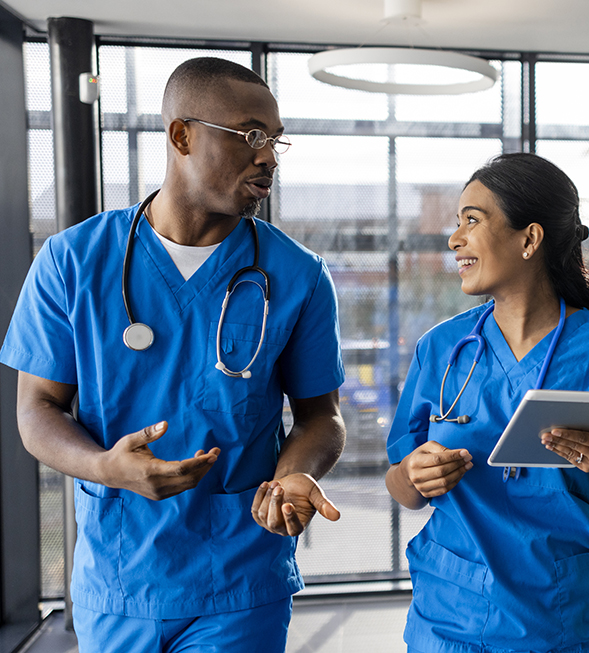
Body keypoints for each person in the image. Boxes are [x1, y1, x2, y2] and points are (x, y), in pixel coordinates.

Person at [0, 57, 346, 652]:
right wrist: (106, 466)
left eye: (276, 141)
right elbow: (37, 410)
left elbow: (322, 417)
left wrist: (295, 474)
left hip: (240, 577)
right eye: (251, 135)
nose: (268, 156)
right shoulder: (72, 262)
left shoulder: (299, 276)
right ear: (182, 135)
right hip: (120, 576)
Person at [384, 153, 589, 653]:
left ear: (529, 239)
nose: (454, 238)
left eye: (471, 220)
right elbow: (402, 484)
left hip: (574, 617)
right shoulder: (442, 350)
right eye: (457, 223)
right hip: (453, 617)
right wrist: (413, 475)